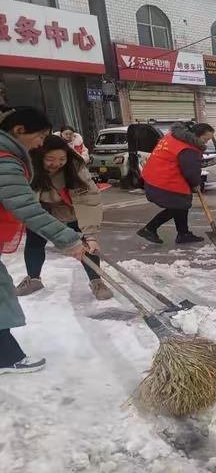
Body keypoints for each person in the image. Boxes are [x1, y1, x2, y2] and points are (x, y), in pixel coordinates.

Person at [0, 106, 86, 375]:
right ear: (19, 130)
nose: (40, 143)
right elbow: (25, 206)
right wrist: (67, 239)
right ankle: (6, 356)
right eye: (40, 137)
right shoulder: (5, 160)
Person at [15, 135, 113, 301]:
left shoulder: (75, 168)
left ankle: (96, 281)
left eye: (62, 159)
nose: (56, 163)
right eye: (50, 159)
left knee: (85, 245)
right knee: (34, 243)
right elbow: (24, 199)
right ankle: (33, 279)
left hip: (71, 210)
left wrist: (90, 235)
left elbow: (89, 201)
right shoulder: (28, 168)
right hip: (41, 211)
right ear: (40, 157)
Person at [137, 122, 215, 244]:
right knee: (178, 206)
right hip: (163, 180)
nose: (206, 143)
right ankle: (149, 228)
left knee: (181, 204)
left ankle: (183, 234)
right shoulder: (188, 148)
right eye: (205, 139)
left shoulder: (173, 137)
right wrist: (196, 183)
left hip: (154, 176)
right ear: (196, 135)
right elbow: (190, 170)